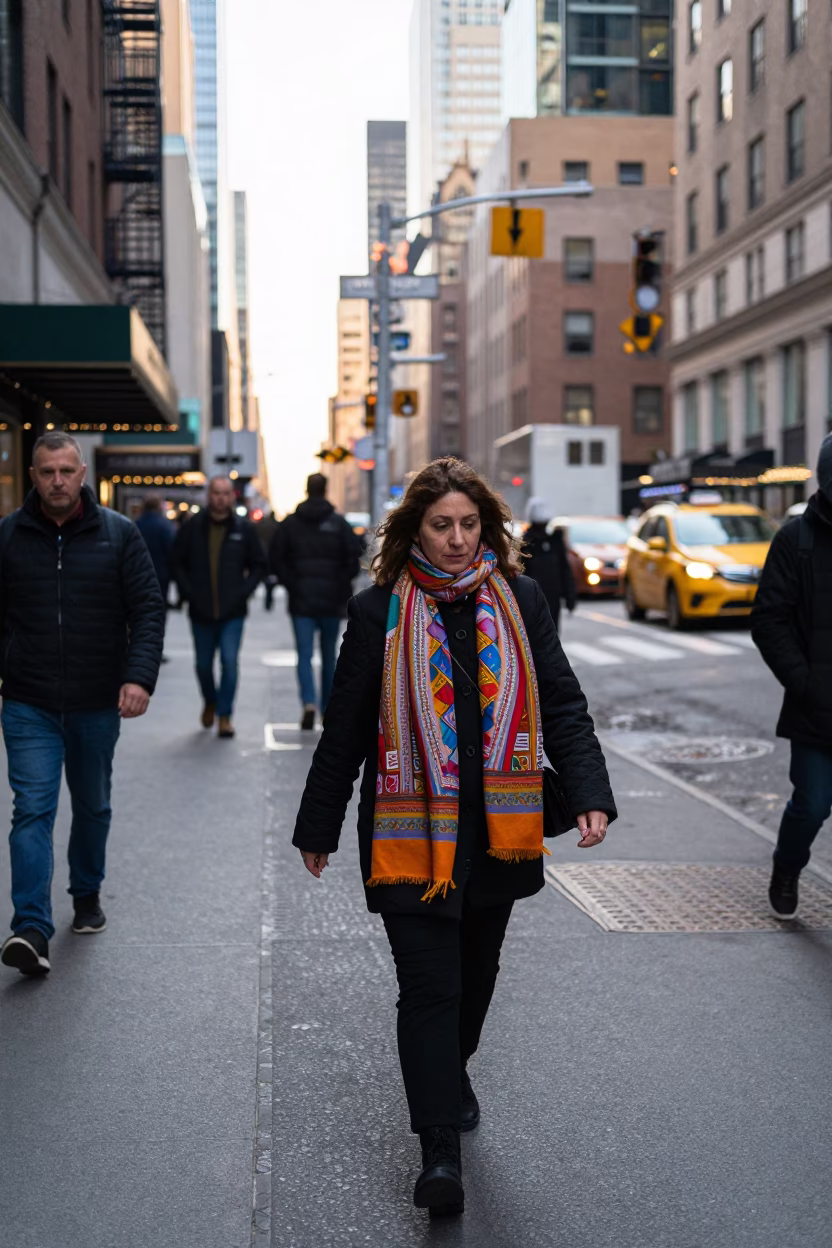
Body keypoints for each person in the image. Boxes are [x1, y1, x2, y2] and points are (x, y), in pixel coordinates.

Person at [292, 457, 616, 1216]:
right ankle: (437, 1147)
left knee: (475, 974)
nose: (458, 539)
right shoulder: (378, 611)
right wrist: (319, 823)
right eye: (442, 525)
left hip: (499, 828)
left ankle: (451, 1070)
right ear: (415, 529)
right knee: (430, 986)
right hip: (410, 829)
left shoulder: (523, 598)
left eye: (470, 525)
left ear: (488, 528)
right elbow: (346, 728)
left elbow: (563, 699)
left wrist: (592, 795)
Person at [0, 433, 164, 976]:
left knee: (92, 805)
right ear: (33, 474)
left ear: (82, 472)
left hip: (97, 701)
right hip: (29, 701)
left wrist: (137, 677)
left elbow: (146, 609)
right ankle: (30, 928)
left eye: (67, 471)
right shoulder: (9, 535)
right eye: (47, 472)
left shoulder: (118, 534)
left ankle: (87, 892)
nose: (58, 481)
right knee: (32, 811)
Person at [752, 433, 832, 920]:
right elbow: (769, 620)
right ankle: (787, 868)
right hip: (816, 706)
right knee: (812, 804)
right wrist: (806, 684)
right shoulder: (796, 539)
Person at [171, 477, 266, 740]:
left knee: (229, 662)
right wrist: (188, 593)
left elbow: (259, 564)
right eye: (216, 493)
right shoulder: (191, 528)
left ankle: (225, 715)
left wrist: (243, 593)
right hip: (200, 611)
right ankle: (210, 701)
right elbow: (176, 562)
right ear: (208, 496)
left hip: (232, 612)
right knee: (203, 665)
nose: (221, 498)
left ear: (232, 497)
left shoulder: (243, 529)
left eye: (226, 493)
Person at [270, 472, 362, 730]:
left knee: (304, 655)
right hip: (332, 603)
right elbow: (354, 560)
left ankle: (308, 702)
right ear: (326, 489)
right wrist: (340, 585)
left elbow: (276, 559)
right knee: (329, 656)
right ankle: (326, 708)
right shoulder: (339, 524)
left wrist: (292, 584)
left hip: (301, 602)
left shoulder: (289, 524)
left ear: (306, 490)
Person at [521, 497, 576, 633]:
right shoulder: (527, 542)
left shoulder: (553, 542)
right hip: (534, 599)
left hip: (549, 597)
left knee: (551, 633)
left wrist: (570, 597)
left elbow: (564, 569)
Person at [135, 495, 175, 658]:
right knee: (158, 614)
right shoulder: (165, 525)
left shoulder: (136, 524)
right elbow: (172, 552)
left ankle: (138, 648)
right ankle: (155, 648)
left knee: (137, 613)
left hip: (137, 576)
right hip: (160, 576)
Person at [255, 507, 280, 611]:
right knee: (270, 579)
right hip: (271, 555)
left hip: (263, 553)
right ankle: (269, 598)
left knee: (265, 577)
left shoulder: (261, 525)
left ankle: (268, 598)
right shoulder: (276, 525)